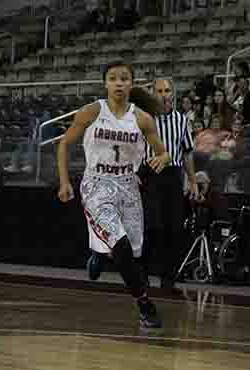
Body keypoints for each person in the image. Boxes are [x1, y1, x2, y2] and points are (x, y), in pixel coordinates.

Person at [56, 60, 171, 328]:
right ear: (105, 83)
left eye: (124, 78)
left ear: (131, 83)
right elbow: (63, 144)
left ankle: (99, 252)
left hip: (129, 186)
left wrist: (163, 158)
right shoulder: (92, 112)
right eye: (113, 78)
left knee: (134, 254)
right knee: (120, 247)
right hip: (97, 184)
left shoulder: (142, 118)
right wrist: (64, 182)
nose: (119, 83)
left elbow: (163, 151)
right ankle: (145, 305)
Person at [140, 77, 199, 292]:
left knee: (173, 230)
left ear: (172, 93)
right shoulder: (143, 119)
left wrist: (192, 181)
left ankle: (168, 280)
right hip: (149, 174)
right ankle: (142, 275)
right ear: (153, 94)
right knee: (151, 227)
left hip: (173, 175)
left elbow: (187, 153)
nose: (164, 95)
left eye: (167, 91)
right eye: (159, 91)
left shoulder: (182, 120)